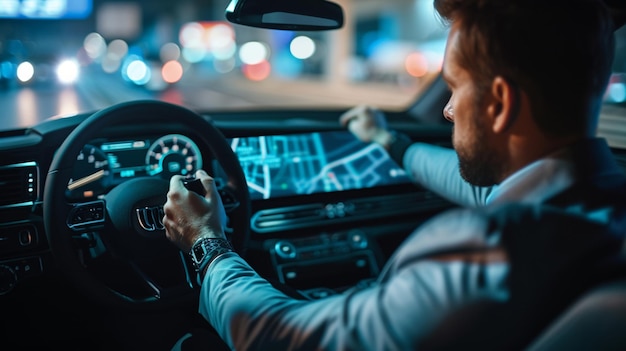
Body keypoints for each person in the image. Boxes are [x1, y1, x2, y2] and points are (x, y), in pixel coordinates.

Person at [163, 0, 626, 349]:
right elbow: (485, 189)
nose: (445, 110)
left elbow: (277, 334)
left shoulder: (483, 256)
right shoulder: (594, 204)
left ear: (500, 104)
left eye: (454, 87)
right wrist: (391, 144)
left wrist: (206, 242)